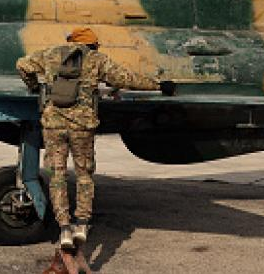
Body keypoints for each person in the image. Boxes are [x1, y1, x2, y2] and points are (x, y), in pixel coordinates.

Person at [16, 27, 165, 250]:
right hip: (82, 127)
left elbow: (22, 64)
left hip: (53, 125)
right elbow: (125, 78)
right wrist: (158, 85)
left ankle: (64, 228)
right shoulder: (96, 59)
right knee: (84, 175)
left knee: (57, 176)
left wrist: (35, 87)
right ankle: (82, 225)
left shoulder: (50, 54)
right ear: (91, 44)